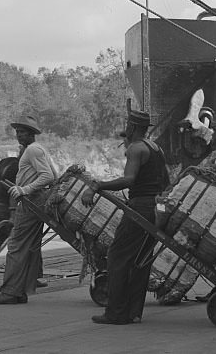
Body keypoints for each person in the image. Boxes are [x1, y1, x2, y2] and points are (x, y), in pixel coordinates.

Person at [85, 108, 169, 325]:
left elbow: (129, 179)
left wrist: (98, 185)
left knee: (117, 257)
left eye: (127, 126)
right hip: (156, 208)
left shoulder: (136, 149)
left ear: (132, 127)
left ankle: (116, 313)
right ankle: (134, 312)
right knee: (140, 261)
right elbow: (167, 181)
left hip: (140, 208)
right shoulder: (156, 148)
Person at [0, 116, 56, 305]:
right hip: (34, 201)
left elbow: (48, 176)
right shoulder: (35, 150)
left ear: (31, 134)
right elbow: (54, 175)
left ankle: (9, 292)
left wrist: (24, 189)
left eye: (22, 132)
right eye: (17, 132)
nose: (19, 136)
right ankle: (20, 291)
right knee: (29, 247)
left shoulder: (33, 150)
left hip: (32, 202)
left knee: (16, 246)